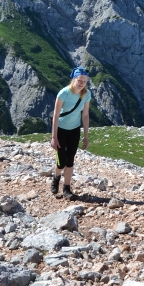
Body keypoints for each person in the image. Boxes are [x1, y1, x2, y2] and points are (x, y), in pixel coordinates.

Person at [50, 66, 91, 199]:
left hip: (74, 130)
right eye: (80, 80)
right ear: (74, 79)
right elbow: (55, 116)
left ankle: (66, 188)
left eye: (85, 81)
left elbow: (85, 115)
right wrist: (54, 137)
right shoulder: (63, 93)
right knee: (62, 161)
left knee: (70, 160)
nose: (82, 83)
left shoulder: (86, 94)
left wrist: (85, 136)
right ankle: (56, 177)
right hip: (61, 130)